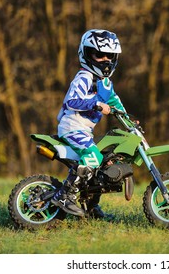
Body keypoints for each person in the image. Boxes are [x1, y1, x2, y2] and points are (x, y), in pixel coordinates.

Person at [51, 29, 127, 219]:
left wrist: (129, 121)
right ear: (86, 54)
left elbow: (116, 103)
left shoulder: (106, 83)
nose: (105, 59)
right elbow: (71, 101)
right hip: (72, 127)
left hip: (85, 131)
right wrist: (97, 104)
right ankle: (64, 195)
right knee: (93, 156)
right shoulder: (84, 77)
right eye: (99, 55)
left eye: (109, 55)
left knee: (100, 167)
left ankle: (90, 207)